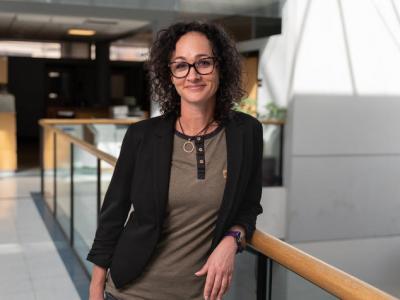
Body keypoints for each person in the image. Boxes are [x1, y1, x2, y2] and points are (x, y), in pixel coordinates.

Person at [88, 21, 263, 300]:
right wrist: (96, 288)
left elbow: (249, 205)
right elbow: (113, 215)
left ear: (220, 67)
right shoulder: (142, 136)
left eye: (203, 62)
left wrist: (232, 240)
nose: (192, 75)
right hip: (129, 292)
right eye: (181, 65)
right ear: (169, 75)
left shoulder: (246, 133)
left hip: (198, 295)